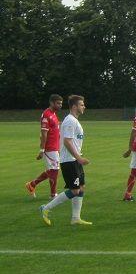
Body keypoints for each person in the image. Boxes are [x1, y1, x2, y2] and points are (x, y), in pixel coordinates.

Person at [39, 95, 92, 226]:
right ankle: (46, 208)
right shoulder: (70, 121)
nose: (84, 106)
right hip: (69, 160)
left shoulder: (74, 120)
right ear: (74, 106)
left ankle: (75, 218)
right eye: (81, 104)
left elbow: (72, 141)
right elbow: (67, 142)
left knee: (80, 188)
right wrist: (79, 158)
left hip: (75, 159)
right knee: (74, 190)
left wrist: (78, 156)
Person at [26, 94, 63, 199]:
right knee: (54, 170)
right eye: (58, 103)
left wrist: (58, 147)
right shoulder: (46, 115)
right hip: (49, 147)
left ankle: (32, 184)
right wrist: (42, 149)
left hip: (54, 147)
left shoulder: (54, 114)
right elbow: (44, 133)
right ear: (52, 103)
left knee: (52, 170)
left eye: (61, 103)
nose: (60, 105)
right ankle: (53, 194)